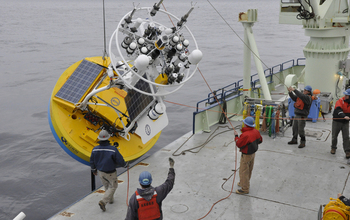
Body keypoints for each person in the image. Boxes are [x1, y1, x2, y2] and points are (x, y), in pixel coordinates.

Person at [90, 129, 126, 212]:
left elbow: (92, 161)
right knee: (113, 186)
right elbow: (119, 160)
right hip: (110, 172)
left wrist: (93, 170)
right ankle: (103, 201)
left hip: (100, 172)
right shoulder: (112, 149)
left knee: (107, 186)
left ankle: (110, 200)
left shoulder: (95, 149)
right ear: (108, 138)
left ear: (99, 139)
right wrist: (125, 165)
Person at [234, 116, 262, 195]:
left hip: (246, 155)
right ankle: (243, 182)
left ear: (246, 125)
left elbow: (238, 144)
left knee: (243, 171)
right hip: (253, 154)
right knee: (249, 169)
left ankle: (245, 189)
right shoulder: (256, 132)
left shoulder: (245, 135)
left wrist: (236, 136)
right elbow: (260, 140)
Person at [330, 88, 350, 158]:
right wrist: (344, 116)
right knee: (334, 136)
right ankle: (333, 148)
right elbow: (338, 109)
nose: (345, 96)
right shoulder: (340, 101)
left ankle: (347, 151)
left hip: (345, 123)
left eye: (347, 95)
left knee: (346, 137)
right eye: (345, 95)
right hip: (337, 121)